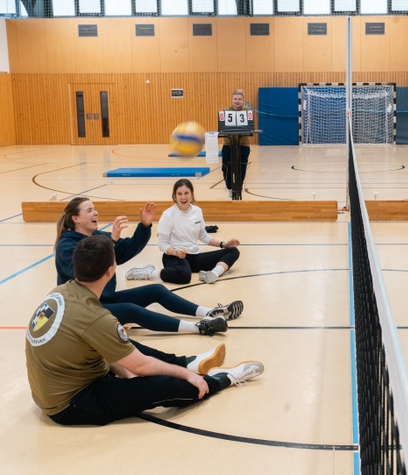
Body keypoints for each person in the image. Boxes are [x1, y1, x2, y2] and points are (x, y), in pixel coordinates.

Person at [26, 235, 264, 426]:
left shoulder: (60, 291)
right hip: (72, 404)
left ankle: (187, 363)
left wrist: (129, 373)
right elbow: (139, 366)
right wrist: (164, 377)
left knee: (128, 347)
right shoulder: (97, 318)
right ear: (111, 270)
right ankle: (221, 379)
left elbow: (97, 347)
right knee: (167, 386)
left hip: (59, 385)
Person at [54, 197, 243, 337]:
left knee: (156, 290)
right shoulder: (66, 246)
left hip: (106, 299)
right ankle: (199, 327)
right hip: (85, 309)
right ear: (75, 219)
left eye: (95, 209)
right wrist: (111, 241)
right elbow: (85, 272)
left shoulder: (98, 238)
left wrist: (144, 226)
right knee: (131, 310)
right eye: (89, 210)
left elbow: (128, 249)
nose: (95, 213)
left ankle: (207, 312)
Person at [126, 179, 241, 285]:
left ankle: (213, 274)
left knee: (233, 251)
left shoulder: (197, 211)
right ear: (175, 196)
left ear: (192, 195)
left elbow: (203, 236)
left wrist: (224, 244)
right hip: (173, 257)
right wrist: (176, 252)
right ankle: (149, 272)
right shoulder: (168, 215)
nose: (183, 197)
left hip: (194, 256)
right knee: (184, 276)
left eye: (186, 193)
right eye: (179, 194)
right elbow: (162, 245)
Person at [221, 89, 252, 197]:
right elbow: (222, 127)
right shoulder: (225, 111)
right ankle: (230, 187)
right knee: (226, 167)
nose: (237, 101)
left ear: (243, 100)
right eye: (235, 99)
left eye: (239, 99)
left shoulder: (247, 111)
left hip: (243, 144)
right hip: (228, 144)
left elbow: (250, 127)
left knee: (241, 167)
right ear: (232, 99)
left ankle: (238, 187)